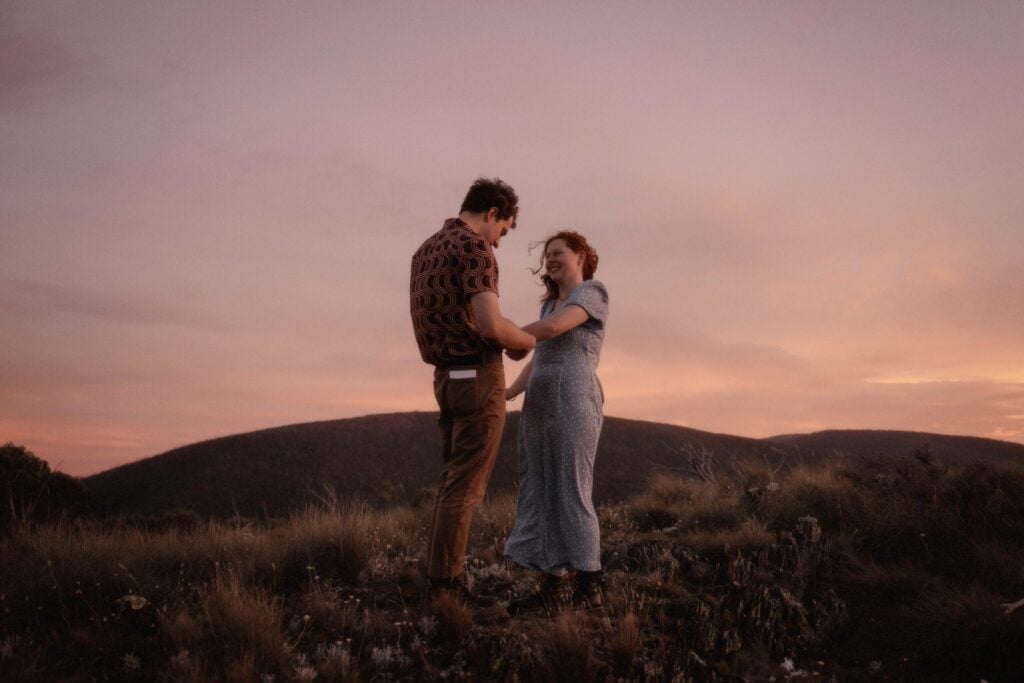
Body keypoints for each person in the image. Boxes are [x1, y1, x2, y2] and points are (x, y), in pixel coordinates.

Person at [409, 177, 535, 602]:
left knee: (452, 482)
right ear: (493, 214)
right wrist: (526, 341)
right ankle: (447, 585)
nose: (498, 242)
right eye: (504, 230)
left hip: (445, 380)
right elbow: (491, 326)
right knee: (466, 487)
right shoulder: (473, 247)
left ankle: (440, 575)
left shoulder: (425, 250)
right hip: (477, 377)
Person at [503, 230, 609, 612]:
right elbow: (538, 356)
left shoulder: (591, 294)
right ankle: (553, 584)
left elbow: (550, 332)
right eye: (547, 254)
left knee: (571, 489)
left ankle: (588, 586)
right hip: (540, 405)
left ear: (580, 256)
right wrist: (511, 392)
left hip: (573, 400)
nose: (550, 259)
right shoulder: (549, 304)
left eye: (558, 252)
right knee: (543, 488)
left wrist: (501, 334)